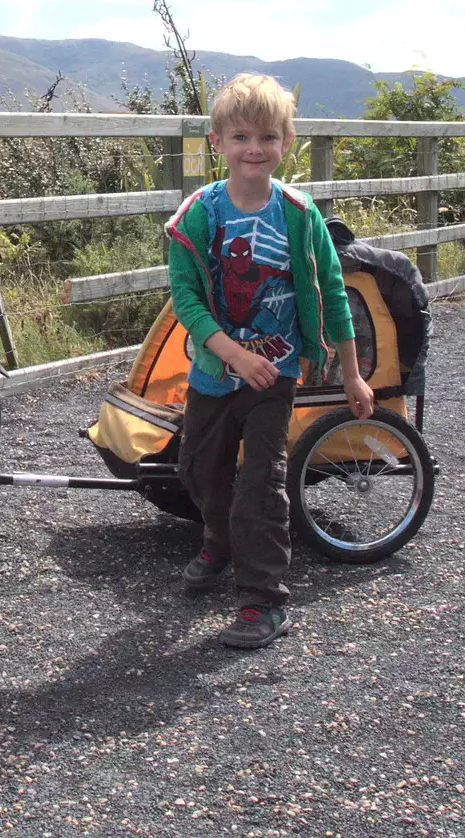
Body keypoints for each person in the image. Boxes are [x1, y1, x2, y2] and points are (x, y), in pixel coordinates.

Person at [165, 73, 375, 649]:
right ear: (217, 143)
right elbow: (184, 295)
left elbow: (332, 292)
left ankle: (263, 599)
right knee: (198, 469)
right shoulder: (198, 215)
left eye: (266, 137)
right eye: (240, 137)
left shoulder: (300, 216)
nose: (253, 149)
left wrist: (352, 373)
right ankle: (220, 539)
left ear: (287, 141)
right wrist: (230, 351)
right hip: (213, 369)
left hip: (275, 372)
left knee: (261, 481)